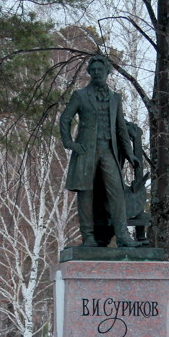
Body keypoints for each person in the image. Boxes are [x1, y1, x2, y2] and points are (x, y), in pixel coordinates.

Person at [59, 55, 142, 247]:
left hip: (108, 150)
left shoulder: (115, 98)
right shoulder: (80, 95)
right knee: (85, 192)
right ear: (89, 73)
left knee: (116, 191)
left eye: (100, 70)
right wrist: (69, 143)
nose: (97, 73)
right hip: (86, 150)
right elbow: (65, 119)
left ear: (107, 73)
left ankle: (122, 235)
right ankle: (88, 236)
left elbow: (120, 127)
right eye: (93, 70)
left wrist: (129, 154)